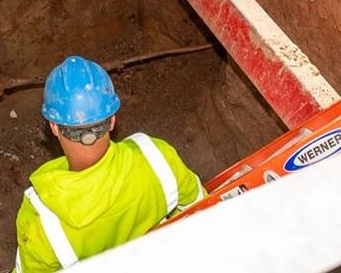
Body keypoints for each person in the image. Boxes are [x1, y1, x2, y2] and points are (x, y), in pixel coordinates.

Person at [14, 56, 206, 272]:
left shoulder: (42, 220)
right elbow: (204, 213)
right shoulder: (158, 158)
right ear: (112, 120)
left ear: (54, 127)